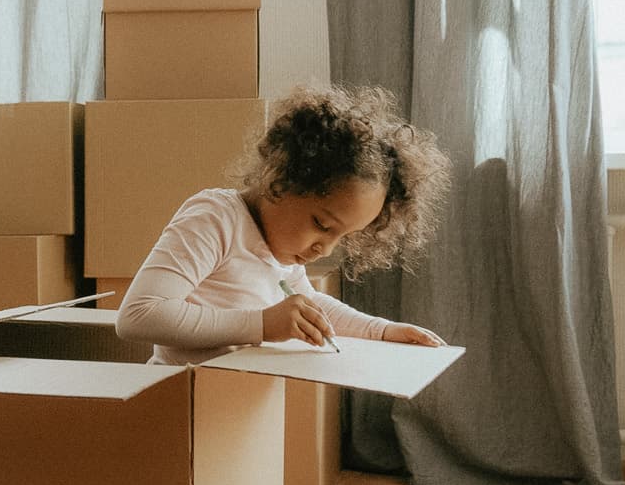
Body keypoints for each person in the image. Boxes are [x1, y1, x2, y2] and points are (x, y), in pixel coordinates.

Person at [115, 83, 453, 366]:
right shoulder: (216, 219)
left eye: (343, 236)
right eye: (322, 223)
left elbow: (312, 307)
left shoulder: (282, 252)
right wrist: (262, 324)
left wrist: (380, 330)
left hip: (233, 406)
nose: (326, 248)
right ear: (282, 179)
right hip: (175, 401)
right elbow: (139, 316)